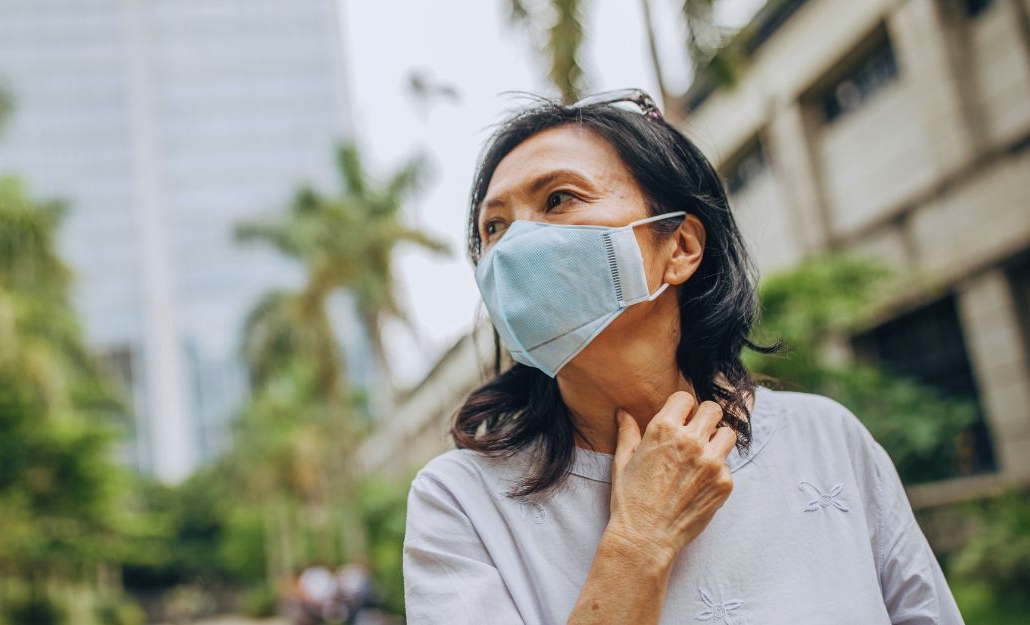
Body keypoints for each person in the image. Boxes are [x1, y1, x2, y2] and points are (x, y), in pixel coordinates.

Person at [401, 89, 964, 625]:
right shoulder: (460, 501)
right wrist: (639, 539)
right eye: (494, 227)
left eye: (558, 199)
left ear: (680, 247)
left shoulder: (826, 439)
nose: (514, 247)